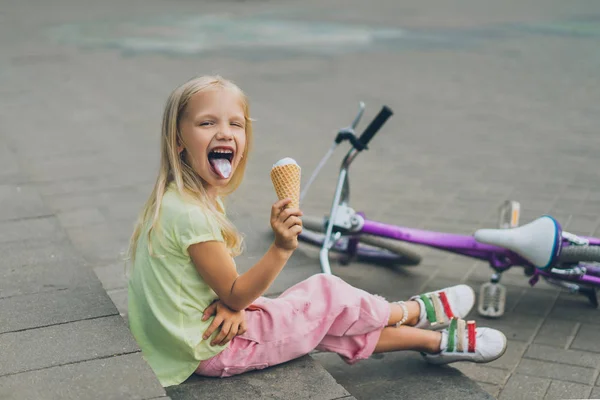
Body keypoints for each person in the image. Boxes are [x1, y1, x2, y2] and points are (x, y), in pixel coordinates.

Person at [127, 75, 507, 387]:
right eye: (207, 122)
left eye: (235, 124)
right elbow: (235, 292)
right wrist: (280, 249)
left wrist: (232, 303)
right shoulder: (192, 214)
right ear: (178, 140)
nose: (224, 132)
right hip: (213, 346)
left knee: (325, 321)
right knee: (325, 293)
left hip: (195, 334)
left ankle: (435, 341)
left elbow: (209, 285)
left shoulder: (180, 199)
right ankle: (409, 310)